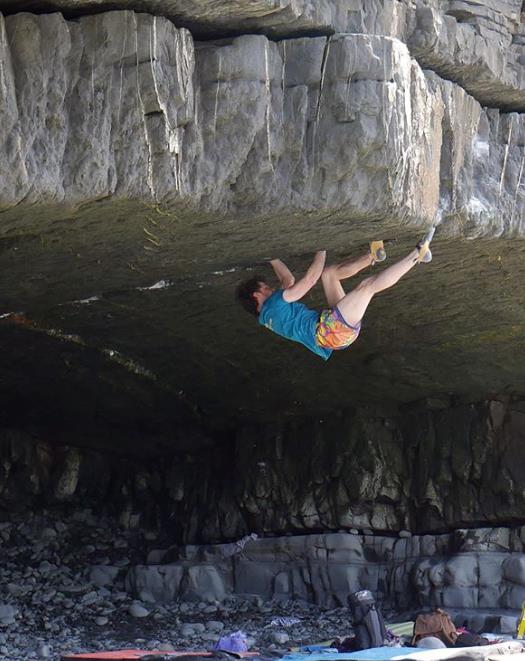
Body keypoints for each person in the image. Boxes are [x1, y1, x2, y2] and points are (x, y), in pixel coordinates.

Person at [235, 229, 435, 360]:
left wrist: (273, 259)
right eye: (266, 287)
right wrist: (321, 249)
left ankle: (372, 256)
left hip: (331, 332)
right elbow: (308, 280)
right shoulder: (275, 304)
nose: (271, 288)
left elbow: (287, 281)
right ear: (256, 294)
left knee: (329, 274)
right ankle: (417, 255)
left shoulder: (268, 315)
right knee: (367, 286)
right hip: (331, 330)